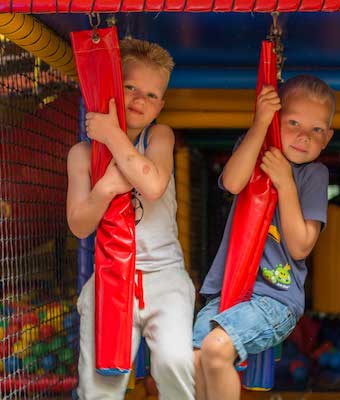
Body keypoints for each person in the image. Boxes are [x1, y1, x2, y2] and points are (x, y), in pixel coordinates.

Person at [192, 75, 335, 400]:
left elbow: (300, 247)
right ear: (275, 122)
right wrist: (259, 125)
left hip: (275, 298)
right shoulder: (254, 149)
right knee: (196, 358)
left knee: (215, 348)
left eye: (316, 130)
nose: (303, 136)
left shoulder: (313, 174)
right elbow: (232, 182)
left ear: (327, 137)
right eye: (294, 122)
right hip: (227, 293)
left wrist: (285, 183)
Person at [67, 38, 195, 399]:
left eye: (152, 95)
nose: (141, 100)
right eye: (130, 88)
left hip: (164, 277)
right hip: (110, 277)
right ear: (111, 88)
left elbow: (152, 185)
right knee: (100, 386)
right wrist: (104, 189)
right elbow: (79, 224)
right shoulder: (81, 154)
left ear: (161, 106)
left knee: (174, 365)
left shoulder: (159, 136)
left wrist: (111, 134)